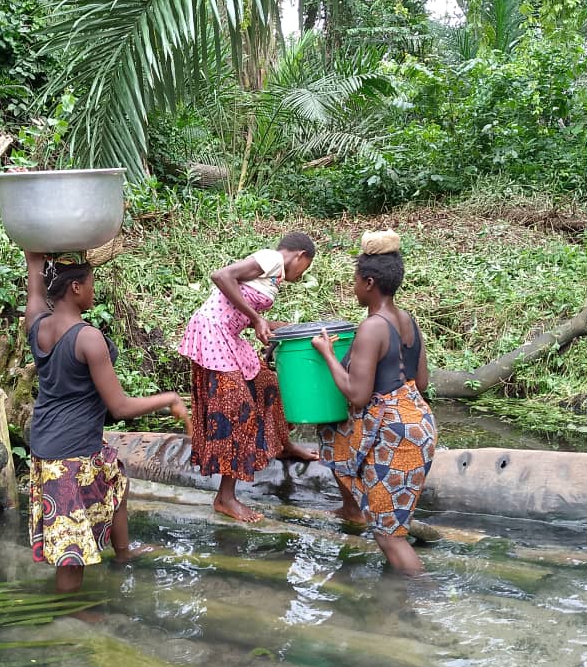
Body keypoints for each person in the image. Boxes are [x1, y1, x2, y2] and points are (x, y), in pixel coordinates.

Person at [23, 250, 190, 594]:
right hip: (69, 453)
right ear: (75, 288)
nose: (93, 291)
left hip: (52, 440)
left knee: (116, 482)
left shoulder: (38, 324)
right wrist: (169, 399)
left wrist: (34, 258)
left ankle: (123, 553)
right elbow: (120, 407)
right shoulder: (87, 338)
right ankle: (70, 612)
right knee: (70, 546)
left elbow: (35, 288)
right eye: (90, 284)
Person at [310, 230, 437, 575]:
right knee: (334, 436)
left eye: (354, 281)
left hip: (395, 435)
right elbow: (421, 382)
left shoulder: (371, 328)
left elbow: (357, 395)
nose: (352, 287)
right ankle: (354, 509)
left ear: (369, 282)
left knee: (389, 537)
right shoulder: (408, 320)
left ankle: (421, 595)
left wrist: (327, 355)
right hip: (418, 422)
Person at [177, 232, 319, 523]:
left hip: (229, 336)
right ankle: (225, 498)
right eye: (306, 267)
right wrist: (256, 319)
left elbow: (240, 310)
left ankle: (284, 446)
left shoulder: (274, 275)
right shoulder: (272, 258)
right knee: (237, 408)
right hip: (213, 333)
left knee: (269, 386)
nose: (302, 274)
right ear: (301, 256)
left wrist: (278, 326)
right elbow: (221, 276)